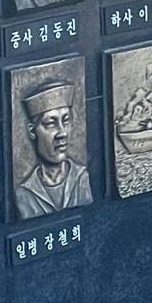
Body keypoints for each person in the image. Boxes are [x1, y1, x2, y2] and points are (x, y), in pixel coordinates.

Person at [16, 81, 93, 218]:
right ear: (32, 131)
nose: (62, 133)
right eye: (51, 123)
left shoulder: (83, 179)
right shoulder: (24, 194)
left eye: (66, 121)